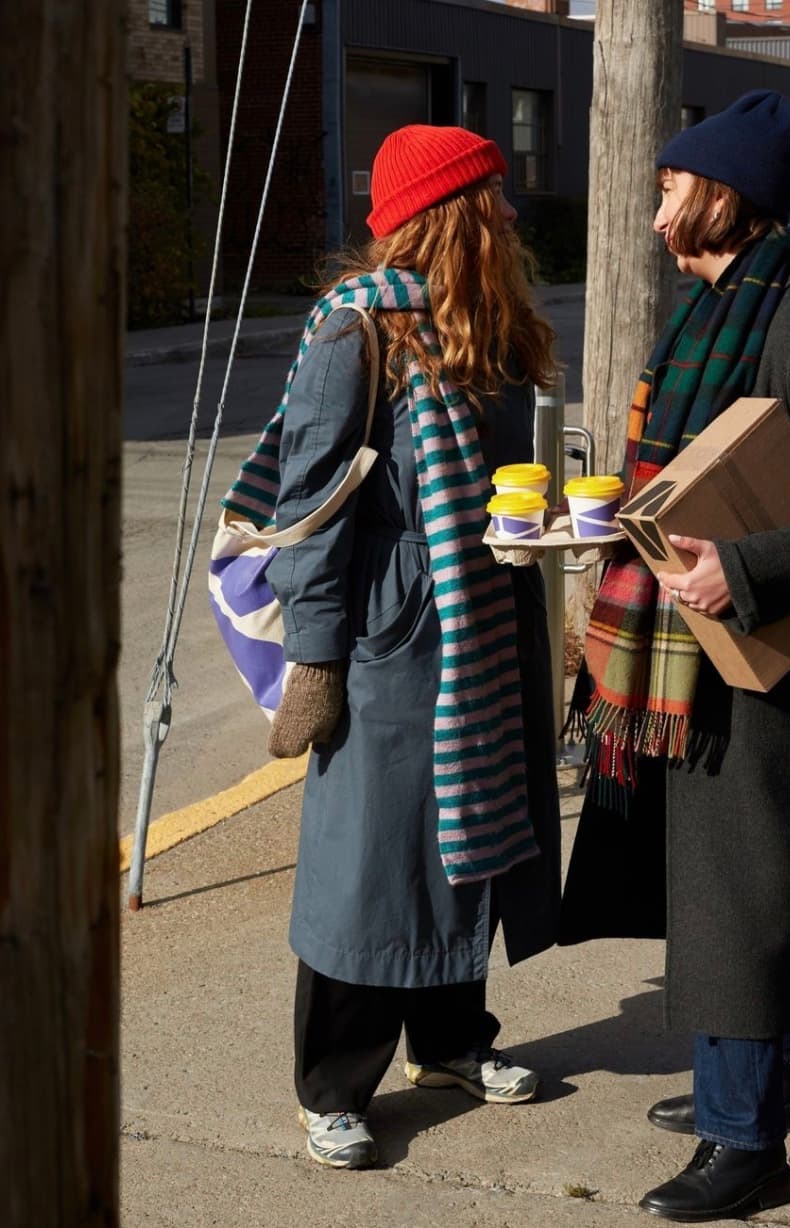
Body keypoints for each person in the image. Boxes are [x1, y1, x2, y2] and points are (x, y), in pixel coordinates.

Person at [558, 91, 790, 1221]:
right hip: (710, 658)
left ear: (720, 197)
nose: (653, 215)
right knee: (726, 895)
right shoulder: (712, 310)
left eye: (666, 191)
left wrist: (738, 574)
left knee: (743, 903)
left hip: (780, 668)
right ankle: (753, 1089)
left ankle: (744, 1143)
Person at [241, 125, 561, 1169]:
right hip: (392, 626)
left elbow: (516, 476)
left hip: (483, 611)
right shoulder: (357, 332)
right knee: (369, 858)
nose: (509, 216)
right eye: (492, 200)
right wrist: (319, 657)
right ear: (450, 214)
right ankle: (331, 1082)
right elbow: (310, 505)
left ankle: (453, 1041)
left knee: (464, 834)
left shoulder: (493, 324)